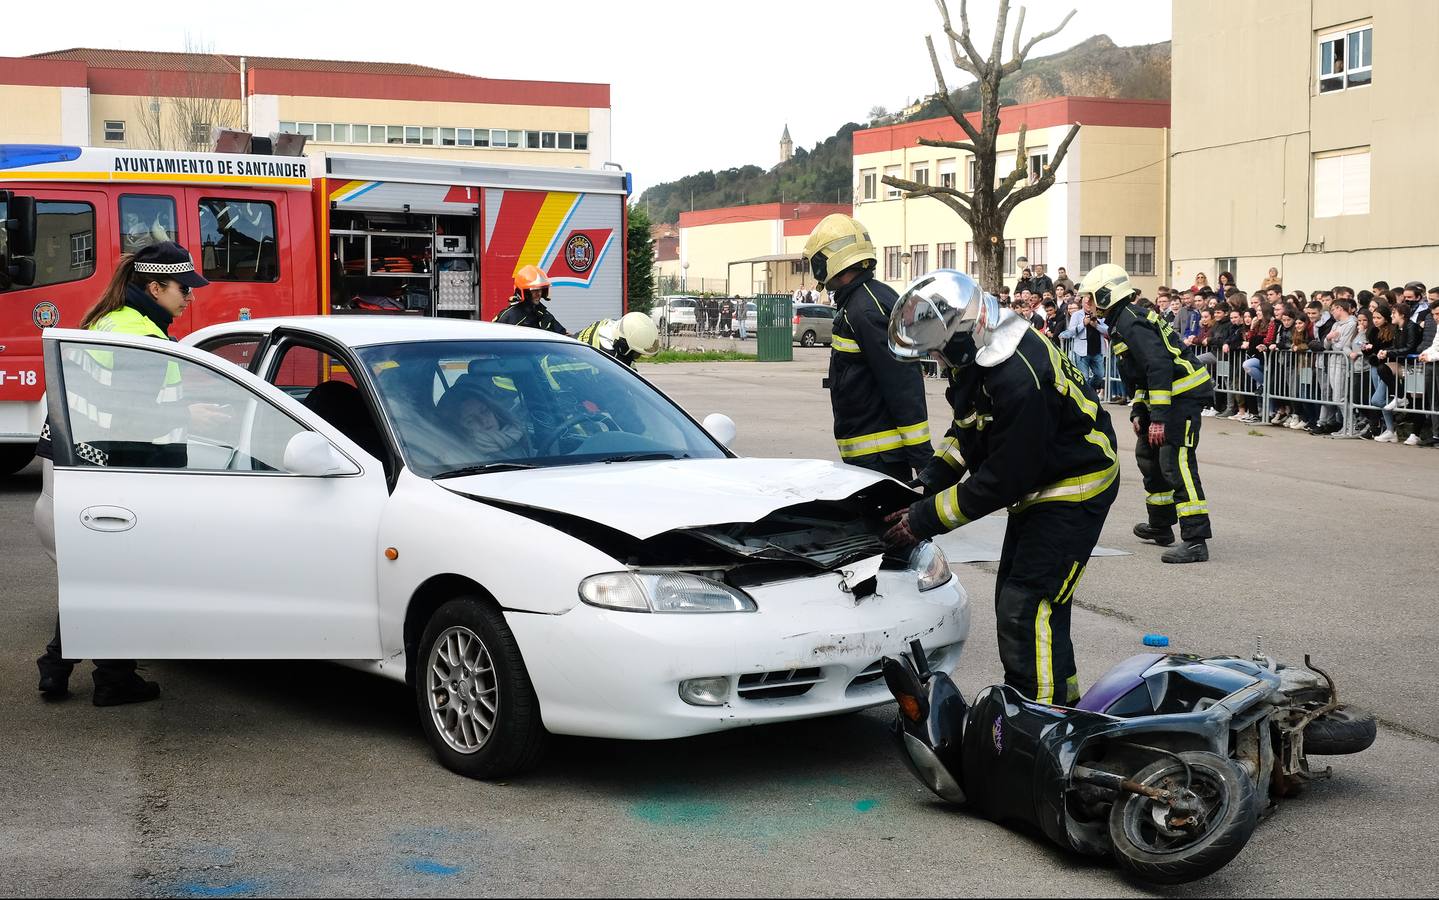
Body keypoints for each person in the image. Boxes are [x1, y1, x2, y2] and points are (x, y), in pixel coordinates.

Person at [882, 270, 1119, 705]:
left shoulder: (1015, 374)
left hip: (1073, 487)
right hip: (1042, 482)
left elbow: (1007, 475)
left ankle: (1043, 724)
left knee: (1028, 606)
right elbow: (968, 428)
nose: (935, 358)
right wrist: (929, 483)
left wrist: (925, 518)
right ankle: (1062, 703)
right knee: (1022, 602)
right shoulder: (981, 354)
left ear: (955, 337)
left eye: (935, 349)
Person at [35, 241, 212, 705]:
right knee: (125, 574)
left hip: (87, 465)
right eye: (182, 289)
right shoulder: (143, 336)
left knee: (92, 572)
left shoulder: (108, 320)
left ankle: (55, 668)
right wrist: (196, 416)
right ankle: (113, 679)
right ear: (154, 287)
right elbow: (139, 418)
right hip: (127, 470)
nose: (189, 298)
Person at [1080, 263, 1214, 563]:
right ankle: (1161, 526)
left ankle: (1195, 540)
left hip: (1183, 397)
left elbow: (1160, 366)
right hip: (1166, 398)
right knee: (1149, 457)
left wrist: (1161, 418)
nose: (1085, 303)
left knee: (1175, 462)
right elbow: (1141, 376)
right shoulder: (1121, 321)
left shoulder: (1129, 322)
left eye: (1089, 297)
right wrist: (1140, 410)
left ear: (1105, 294)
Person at [801, 214, 932, 479]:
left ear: (830, 260)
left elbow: (902, 382)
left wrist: (923, 460)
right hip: (872, 453)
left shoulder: (864, 308)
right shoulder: (864, 299)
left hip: (879, 457)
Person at [575, 312, 662, 370]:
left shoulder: (607, 324)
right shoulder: (608, 361)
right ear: (623, 346)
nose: (637, 357)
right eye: (636, 354)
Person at [496, 265, 566, 334]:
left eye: (541, 289)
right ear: (524, 292)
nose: (539, 294)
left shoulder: (542, 312)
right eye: (535, 290)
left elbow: (563, 335)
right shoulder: (509, 316)